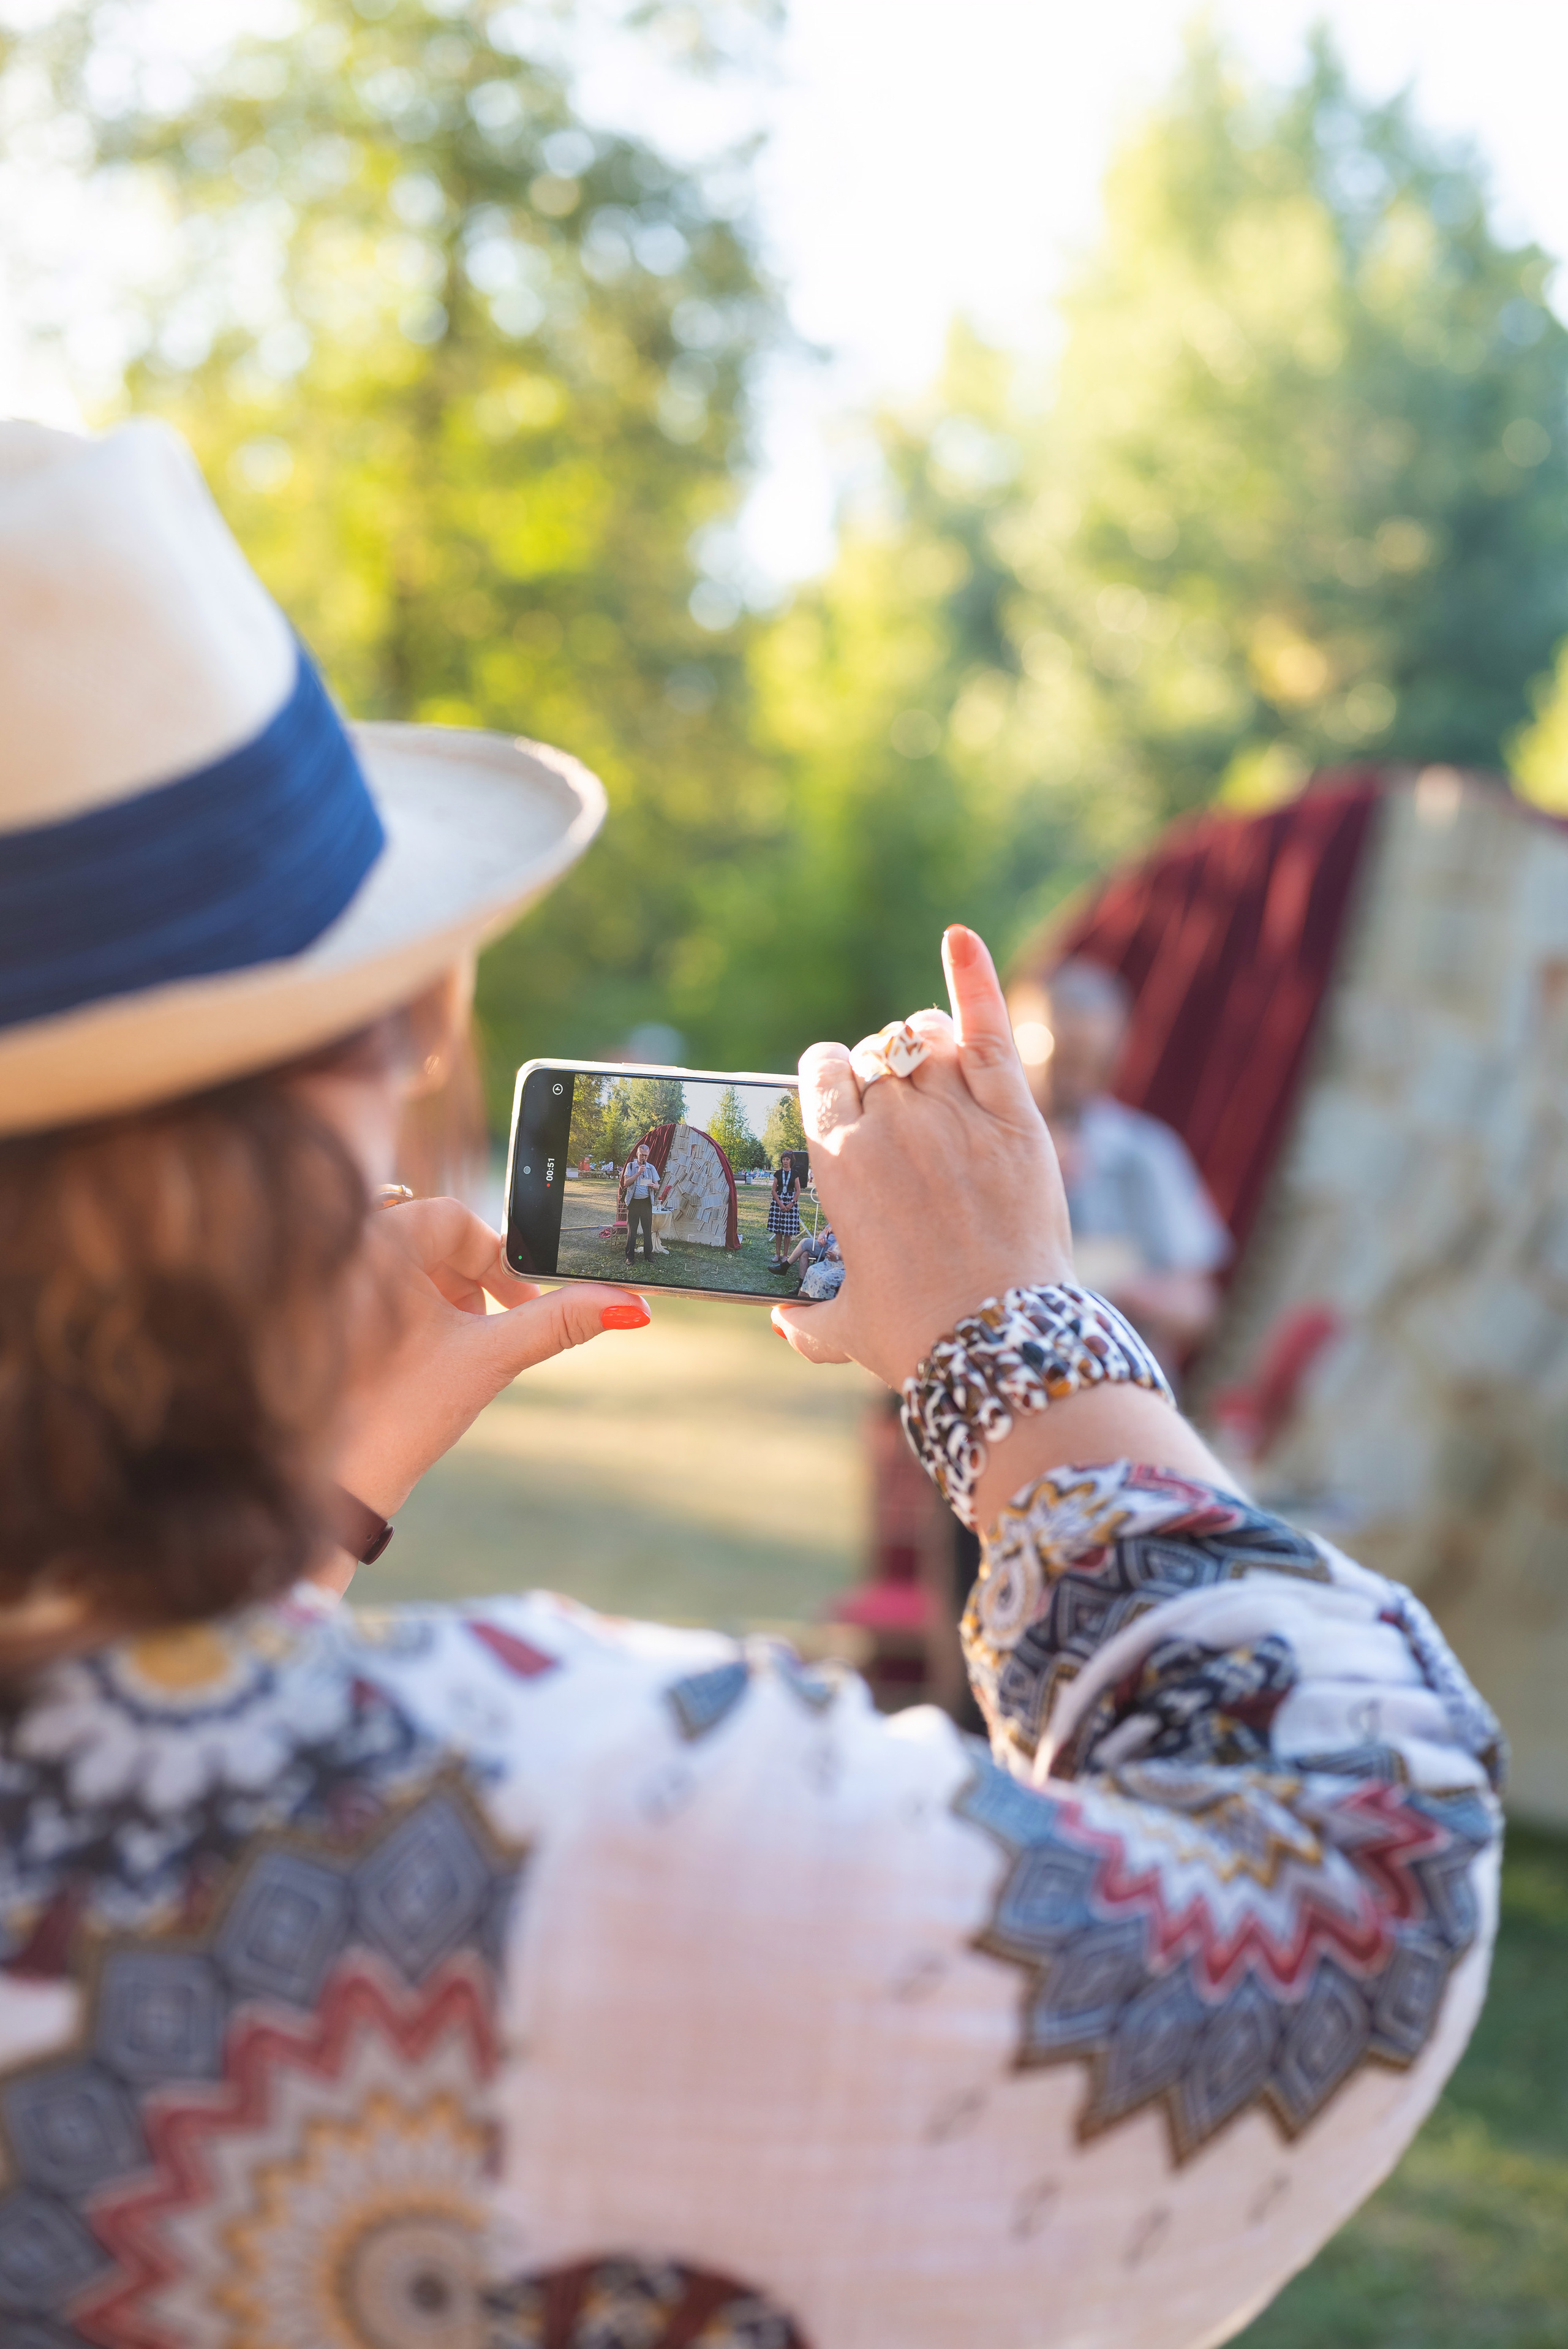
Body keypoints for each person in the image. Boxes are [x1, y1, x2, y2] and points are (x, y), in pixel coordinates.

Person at [0, 420, 1501, 2349]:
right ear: (312, 1085)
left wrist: (271, 1533)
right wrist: (1006, 1340)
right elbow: (1347, 1896)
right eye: (391, 1002)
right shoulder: (522, 1831)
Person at [1019, 957, 1231, 1370]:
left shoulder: (1146, 1154)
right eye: (1064, 1061)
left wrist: (1138, 1293)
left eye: (1091, 1062)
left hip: (1116, 1389)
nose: (1076, 1080)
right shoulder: (980, 1148)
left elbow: (1199, 1306)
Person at [619, 1137, 662, 1264]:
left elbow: (658, 1185)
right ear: (637, 1154)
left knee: (647, 1230)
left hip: (646, 1203)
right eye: (642, 1155)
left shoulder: (651, 1168)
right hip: (634, 1203)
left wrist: (654, 1186)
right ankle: (630, 1257)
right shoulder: (631, 1166)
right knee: (632, 1230)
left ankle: (648, 1255)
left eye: (646, 1156)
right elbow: (626, 1183)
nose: (644, 1158)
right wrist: (637, 1174)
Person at [767, 1152, 802, 1270]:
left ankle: (785, 1255)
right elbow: (773, 1190)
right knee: (778, 1230)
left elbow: (798, 1190)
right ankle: (777, 1254)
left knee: (788, 1232)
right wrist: (781, 1204)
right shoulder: (778, 1173)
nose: (785, 1161)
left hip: (791, 1203)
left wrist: (792, 1203)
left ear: (791, 1161)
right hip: (779, 1203)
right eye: (784, 1159)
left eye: (787, 1159)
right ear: (781, 1161)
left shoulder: (795, 1174)